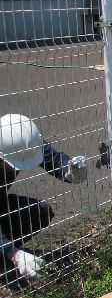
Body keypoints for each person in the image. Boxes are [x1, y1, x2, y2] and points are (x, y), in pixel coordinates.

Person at [1, 114, 87, 280]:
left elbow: (53, 159)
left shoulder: (20, 141)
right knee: (10, 251)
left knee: (40, 211)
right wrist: (14, 254)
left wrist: (70, 171)